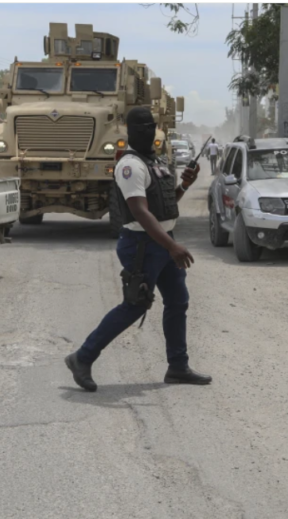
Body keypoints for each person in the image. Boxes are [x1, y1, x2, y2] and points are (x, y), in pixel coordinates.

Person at [65, 107, 211, 392]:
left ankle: (178, 367)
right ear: (131, 132)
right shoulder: (129, 165)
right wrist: (172, 246)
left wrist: (184, 185)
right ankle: (82, 358)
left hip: (162, 241)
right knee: (134, 306)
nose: (147, 132)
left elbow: (165, 205)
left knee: (178, 301)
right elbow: (140, 212)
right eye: (141, 128)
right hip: (143, 245)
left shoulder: (155, 162)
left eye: (151, 126)